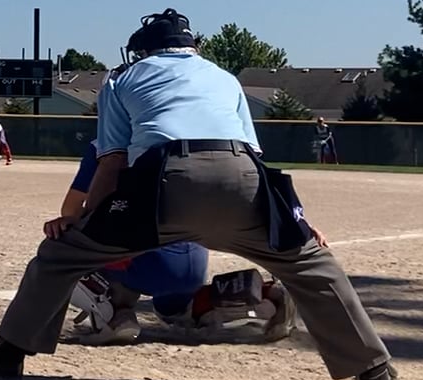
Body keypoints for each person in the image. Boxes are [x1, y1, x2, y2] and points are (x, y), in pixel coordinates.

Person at [0, 8, 397, 380]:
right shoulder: (225, 78)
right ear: (192, 46)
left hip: (166, 182)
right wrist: (297, 224)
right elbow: (257, 162)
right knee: (311, 265)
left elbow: (112, 164)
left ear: (144, 50)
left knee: (59, 257)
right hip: (242, 179)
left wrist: (87, 227)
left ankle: (8, 357)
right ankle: (373, 369)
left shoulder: (123, 80)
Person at [61, 136, 294, 345]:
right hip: (191, 259)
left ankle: (116, 312)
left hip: (142, 257)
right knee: (176, 308)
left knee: (65, 242)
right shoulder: (185, 139)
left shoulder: (105, 145)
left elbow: (70, 211)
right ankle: (266, 296)